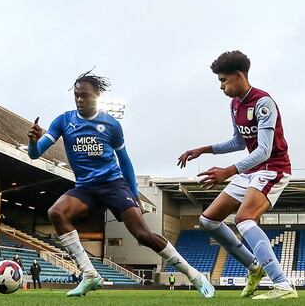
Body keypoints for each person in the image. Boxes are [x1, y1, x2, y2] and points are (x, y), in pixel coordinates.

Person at [28, 70, 214, 298]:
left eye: (84, 95)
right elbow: (36, 154)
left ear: (96, 96)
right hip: (86, 188)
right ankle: (89, 275)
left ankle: (195, 275)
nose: (79, 100)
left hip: (113, 185)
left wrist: (134, 194)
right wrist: (33, 142)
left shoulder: (111, 125)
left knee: (142, 235)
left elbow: (124, 161)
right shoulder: (63, 121)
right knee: (56, 213)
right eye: (76, 95)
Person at [177, 50, 296, 300]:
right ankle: (254, 267)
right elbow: (239, 142)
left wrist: (228, 171)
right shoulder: (234, 104)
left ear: (239, 76)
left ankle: (283, 286)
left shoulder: (264, 103)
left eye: (223, 80)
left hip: (273, 167)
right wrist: (204, 150)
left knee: (244, 218)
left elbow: (264, 151)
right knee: (209, 220)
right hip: (252, 170)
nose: (221, 86)